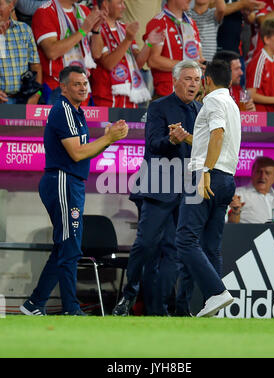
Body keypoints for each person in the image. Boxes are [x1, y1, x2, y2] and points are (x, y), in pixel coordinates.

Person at [20, 66, 128, 316]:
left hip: (70, 183)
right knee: (70, 248)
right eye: (77, 84)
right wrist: (109, 138)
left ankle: (34, 304)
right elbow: (77, 153)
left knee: (64, 247)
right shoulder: (64, 111)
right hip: (62, 182)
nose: (83, 88)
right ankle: (71, 308)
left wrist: (107, 137)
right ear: (63, 87)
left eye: (85, 84)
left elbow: (82, 151)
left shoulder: (75, 112)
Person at [112, 60, 202, 316]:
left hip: (186, 190)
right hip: (158, 186)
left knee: (174, 251)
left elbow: (201, 149)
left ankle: (159, 311)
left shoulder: (201, 110)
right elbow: (152, 145)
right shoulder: (159, 106)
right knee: (146, 244)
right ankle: (129, 297)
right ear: (175, 81)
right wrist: (171, 140)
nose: (193, 83)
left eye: (196, 79)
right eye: (187, 78)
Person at [175, 59, 241, 317]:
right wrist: (188, 137)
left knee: (185, 240)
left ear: (208, 81)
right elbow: (210, 139)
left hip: (206, 176)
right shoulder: (232, 104)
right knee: (210, 246)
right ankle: (212, 305)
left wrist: (204, 171)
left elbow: (217, 134)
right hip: (226, 179)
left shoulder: (212, 100)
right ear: (230, 81)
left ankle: (216, 293)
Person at [91, 0, 164, 108]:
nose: (124, 7)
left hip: (130, 101)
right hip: (106, 100)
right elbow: (108, 63)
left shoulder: (124, 28)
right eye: (120, 3)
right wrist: (128, 39)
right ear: (106, 4)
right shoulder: (97, 28)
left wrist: (148, 43)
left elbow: (138, 63)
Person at [31, 0, 105, 105]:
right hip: (58, 89)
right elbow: (52, 51)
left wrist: (95, 30)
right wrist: (83, 31)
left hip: (83, 90)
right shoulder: (45, 11)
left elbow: (97, 54)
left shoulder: (84, 11)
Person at [144, 0, 203, 98]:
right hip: (167, 95)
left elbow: (199, 57)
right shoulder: (158, 22)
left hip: (192, 96)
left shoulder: (191, 23)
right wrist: (187, 66)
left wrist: (202, 64)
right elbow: (153, 60)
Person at [0, 0, 42, 105]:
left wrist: (37, 94)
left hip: (24, 99)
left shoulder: (24, 30)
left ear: (11, 5)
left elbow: (35, 66)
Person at [246, 18, 274, 112]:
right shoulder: (259, 61)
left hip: (270, 113)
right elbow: (251, 94)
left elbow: (266, 91)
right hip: (259, 115)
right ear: (267, 39)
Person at [228, 156, 274, 223]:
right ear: (252, 173)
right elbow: (227, 225)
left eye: (267, 173)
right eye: (259, 172)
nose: (262, 176)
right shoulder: (237, 195)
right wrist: (235, 212)